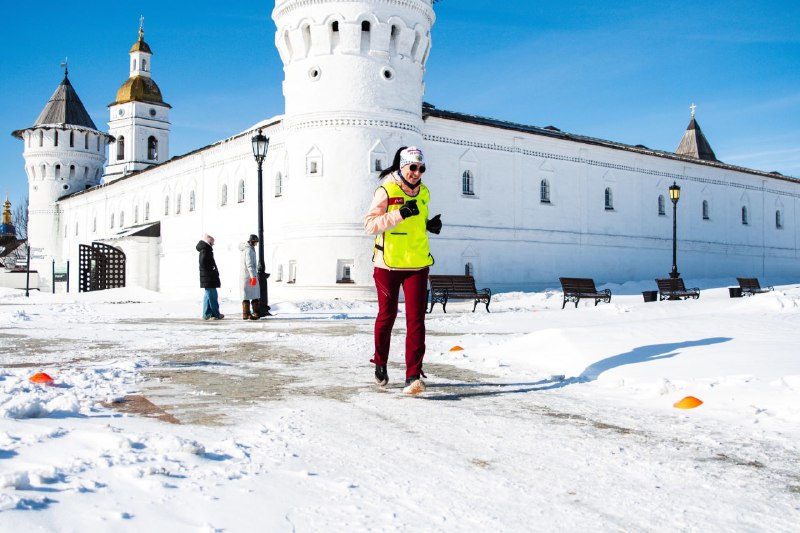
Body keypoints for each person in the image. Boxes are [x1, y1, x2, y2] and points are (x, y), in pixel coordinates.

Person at [364, 146, 442, 394]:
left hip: (417, 263)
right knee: (387, 316)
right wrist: (399, 214)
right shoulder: (386, 190)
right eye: (412, 168)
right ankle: (381, 362)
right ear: (402, 165)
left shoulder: (424, 192)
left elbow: (416, 222)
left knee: (416, 320)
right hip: (388, 264)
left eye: (421, 168)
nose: (417, 173)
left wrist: (429, 225)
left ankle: (413, 375)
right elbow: (370, 225)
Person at [196, 233, 224, 320]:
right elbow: (203, 262)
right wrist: (211, 268)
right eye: (212, 242)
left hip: (207, 277)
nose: (213, 244)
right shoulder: (205, 250)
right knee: (212, 295)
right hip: (208, 277)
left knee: (208, 295)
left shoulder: (205, 249)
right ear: (209, 242)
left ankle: (206, 314)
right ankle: (215, 314)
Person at [239, 234, 261, 320]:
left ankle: (249, 313)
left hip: (247, 276)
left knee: (249, 295)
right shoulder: (249, 250)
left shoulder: (248, 249)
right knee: (250, 295)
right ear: (252, 241)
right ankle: (249, 313)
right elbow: (250, 265)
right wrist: (253, 277)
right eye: (255, 242)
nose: (256, 244)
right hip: (248, 276)